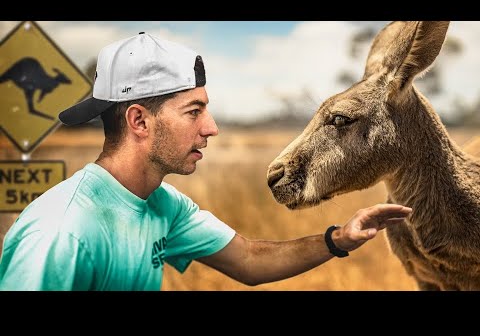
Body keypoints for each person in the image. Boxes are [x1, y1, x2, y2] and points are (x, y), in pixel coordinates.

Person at [0, 32, 412, 291]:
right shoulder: (61, 234)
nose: (211, 128)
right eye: (194, 111)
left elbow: (248, 260)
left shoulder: (163, 205)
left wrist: (340, 238)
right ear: (139, 120)